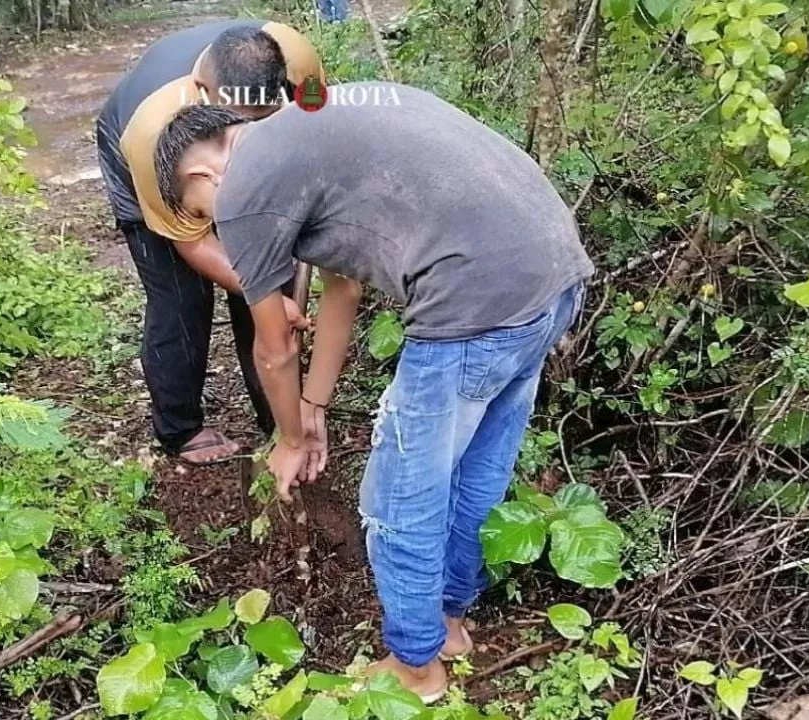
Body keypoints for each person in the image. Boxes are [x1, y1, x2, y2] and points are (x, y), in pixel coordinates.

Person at [153, 82, 593, 701]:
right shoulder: (311, 132)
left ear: (202, 171)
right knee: (473, 472)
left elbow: (273, 347)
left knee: (398, 496)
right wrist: (313, 408)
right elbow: (344, 289)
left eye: (202, 209)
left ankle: (417, 668)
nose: (216, 225)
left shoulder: (246, 184)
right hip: (554, 276)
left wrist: (287, 439)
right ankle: (450, 626)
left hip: (473, 298)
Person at [95, 21, 325, 465]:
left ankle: (275, 417)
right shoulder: (149, 132)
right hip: (143, 161)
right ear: (206, 94)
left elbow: (317, 125)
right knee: (181, 296)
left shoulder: (295, 57)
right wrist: (265, 294)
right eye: (236, 129)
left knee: (269, 281)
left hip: (211, 155)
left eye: (256, 128)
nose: (245, 150)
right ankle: (180, 427)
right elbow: (192, 242)